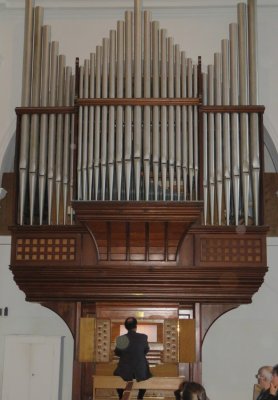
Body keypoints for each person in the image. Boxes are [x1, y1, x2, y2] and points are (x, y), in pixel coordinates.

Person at [113, 316, 152, 400]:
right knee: (146, 372)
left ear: (126, 327)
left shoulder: (122, 338)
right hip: (140, 371)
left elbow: (117, 353)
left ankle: (121, 396)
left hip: (125, 371)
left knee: (115, 374)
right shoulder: (143, 337)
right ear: (136, 326)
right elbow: (146, 350)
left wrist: (126, 355)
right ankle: (140, 397)